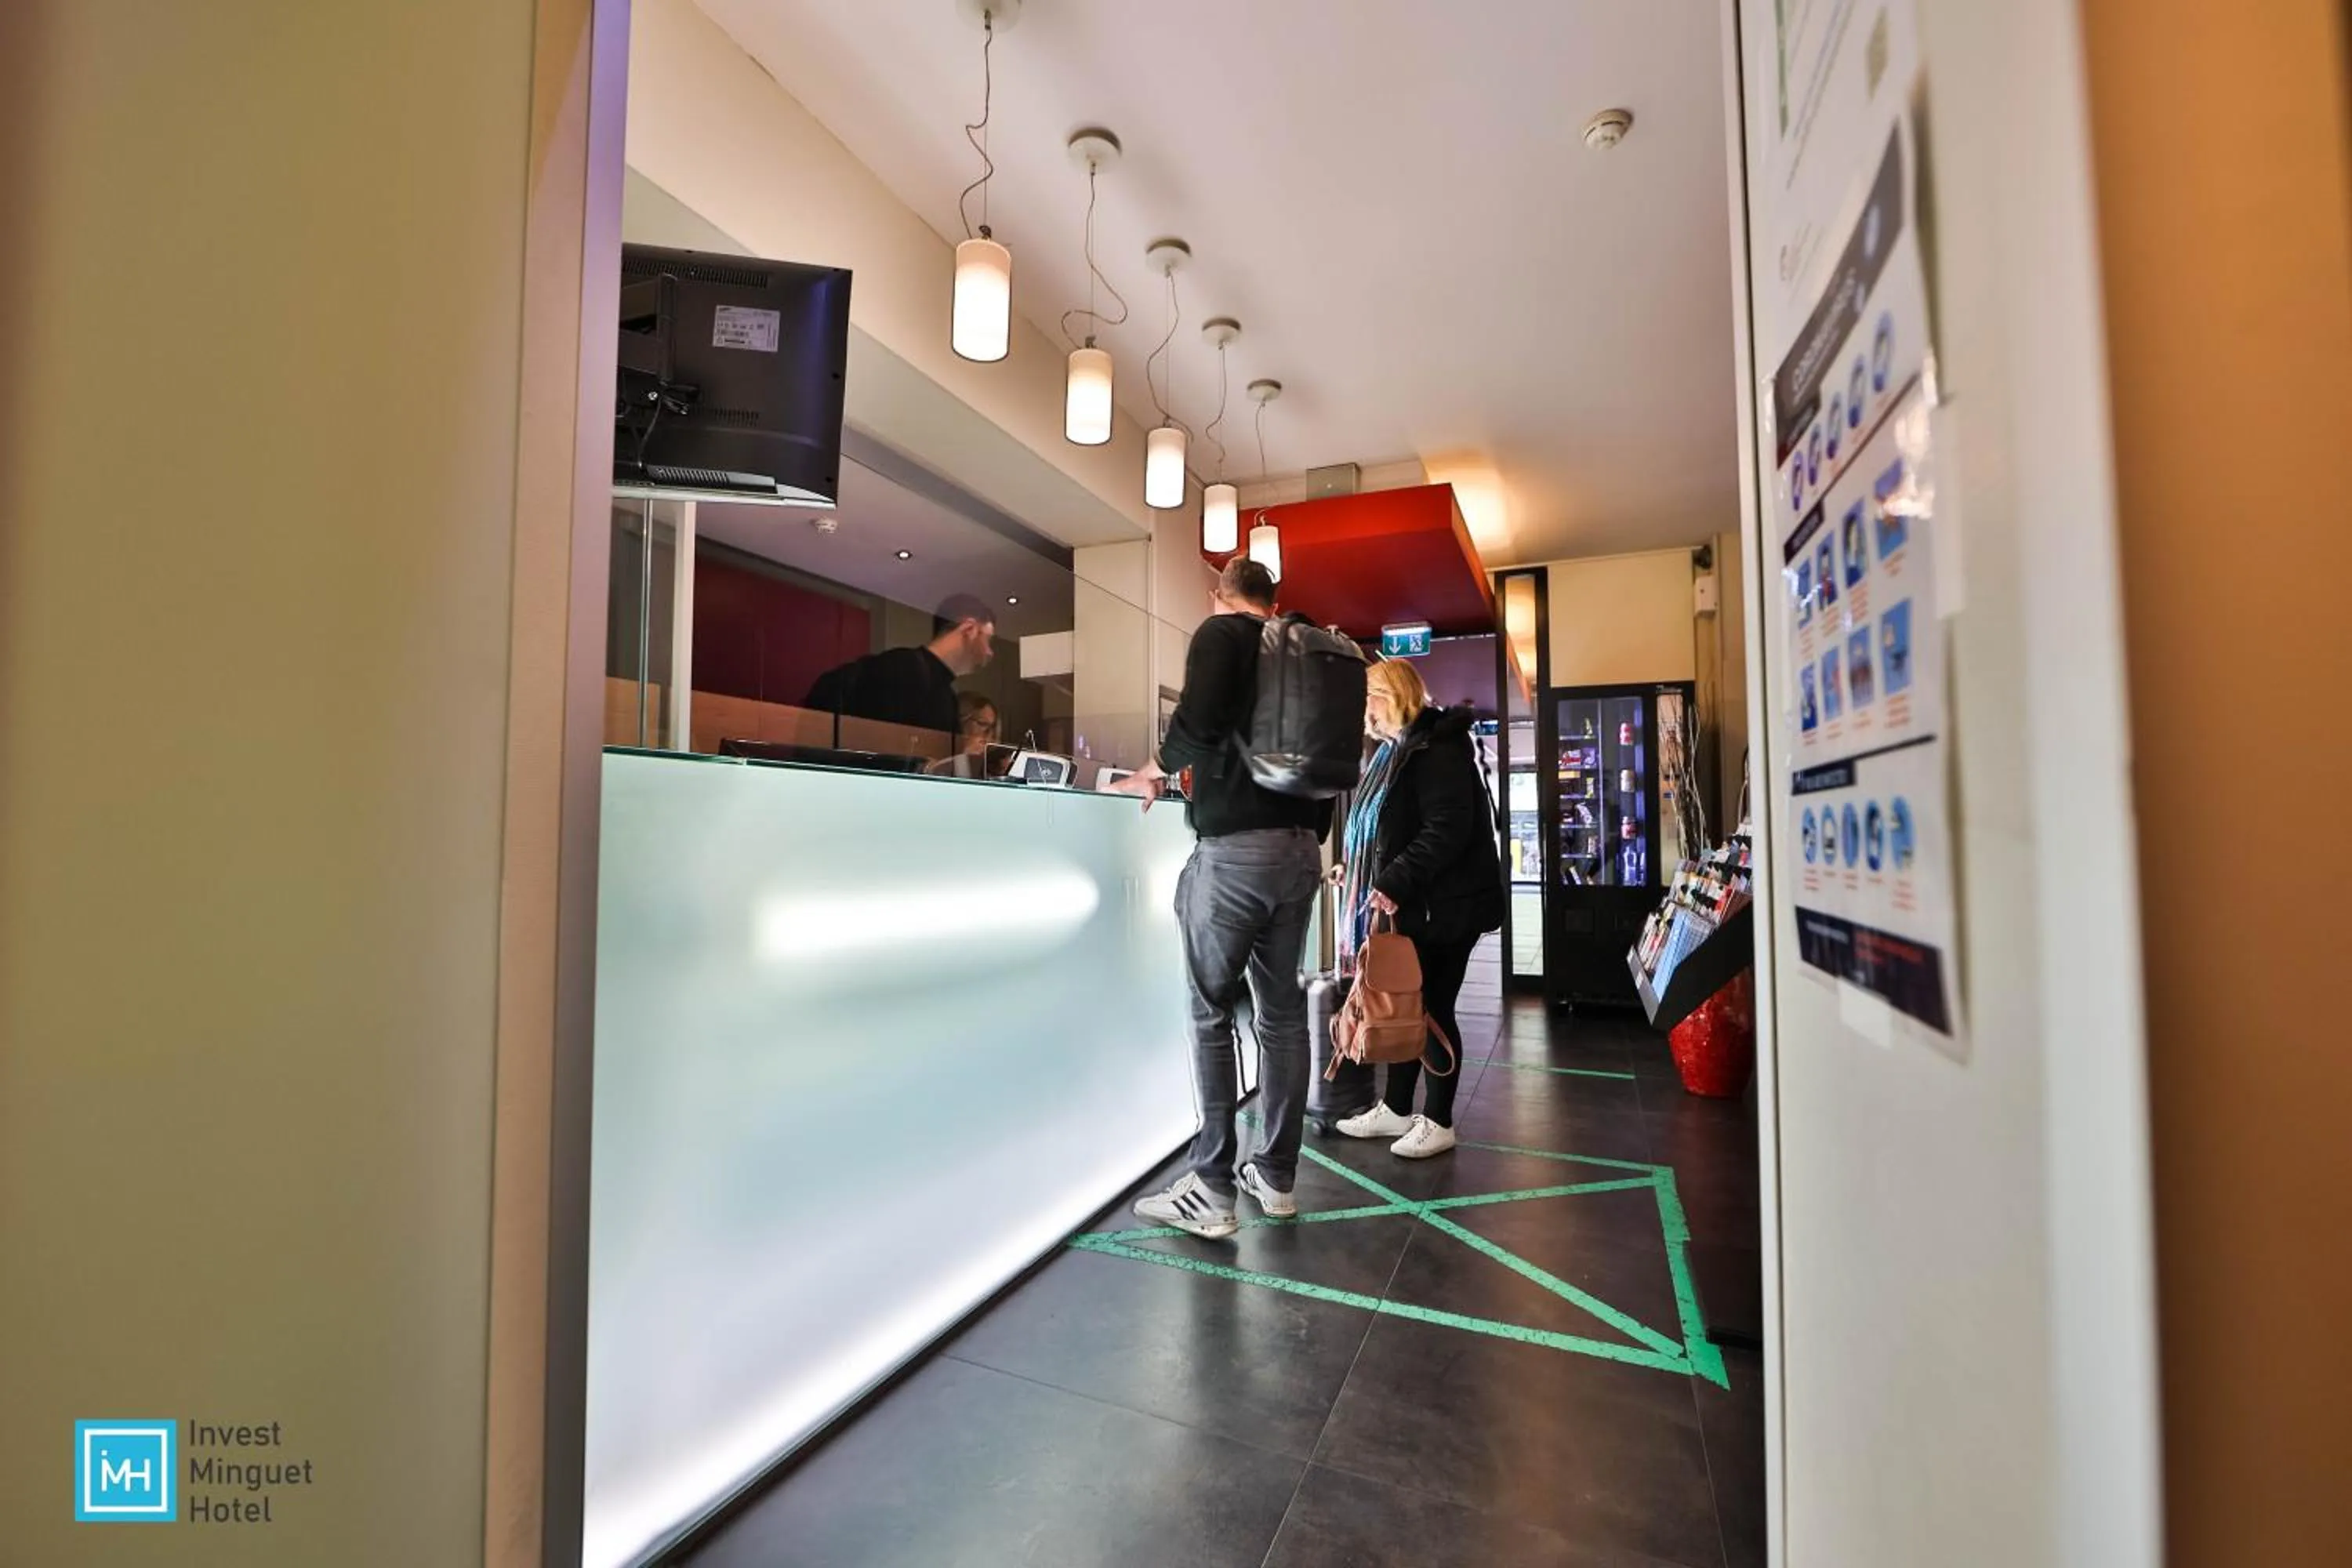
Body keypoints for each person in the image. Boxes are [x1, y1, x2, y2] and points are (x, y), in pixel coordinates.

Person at [1109, 558, 1334, 1238]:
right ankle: (1276, 1175)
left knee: (1209, 1013)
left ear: (1221, 595)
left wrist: (1151, 770)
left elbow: (1199, 723)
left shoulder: (1222, 633)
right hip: (1302, 852)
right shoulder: (1308, 651)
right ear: (1276, 600)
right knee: (1282, 1016)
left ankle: (1211, 1189)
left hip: (1236, 855)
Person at [1332, 659, 1505, 1159]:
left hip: (1446, 909)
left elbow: (1445, 828)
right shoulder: (1399, 752)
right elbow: (1391, 828)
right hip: (1420, 904)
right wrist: (1360, 869)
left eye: (1370, 698)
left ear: (1392, 696)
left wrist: (1393, 879)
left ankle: (1440, 1120)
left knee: (1430, 1010)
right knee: (1406, 1005)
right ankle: (1397, 1108)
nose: (1365, 711)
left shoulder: (1436, 751)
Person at [803, 593, 996, 746]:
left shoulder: (944, 693)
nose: (989, 652)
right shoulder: (903, 669)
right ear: (969, 629)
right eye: (987, 639)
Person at [925, 691, 1002, 778]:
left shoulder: (988, 768)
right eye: (982, 724)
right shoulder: (931, 764)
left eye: (993, 728)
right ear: (961, 721)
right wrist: (964, 758)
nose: (988, 737)